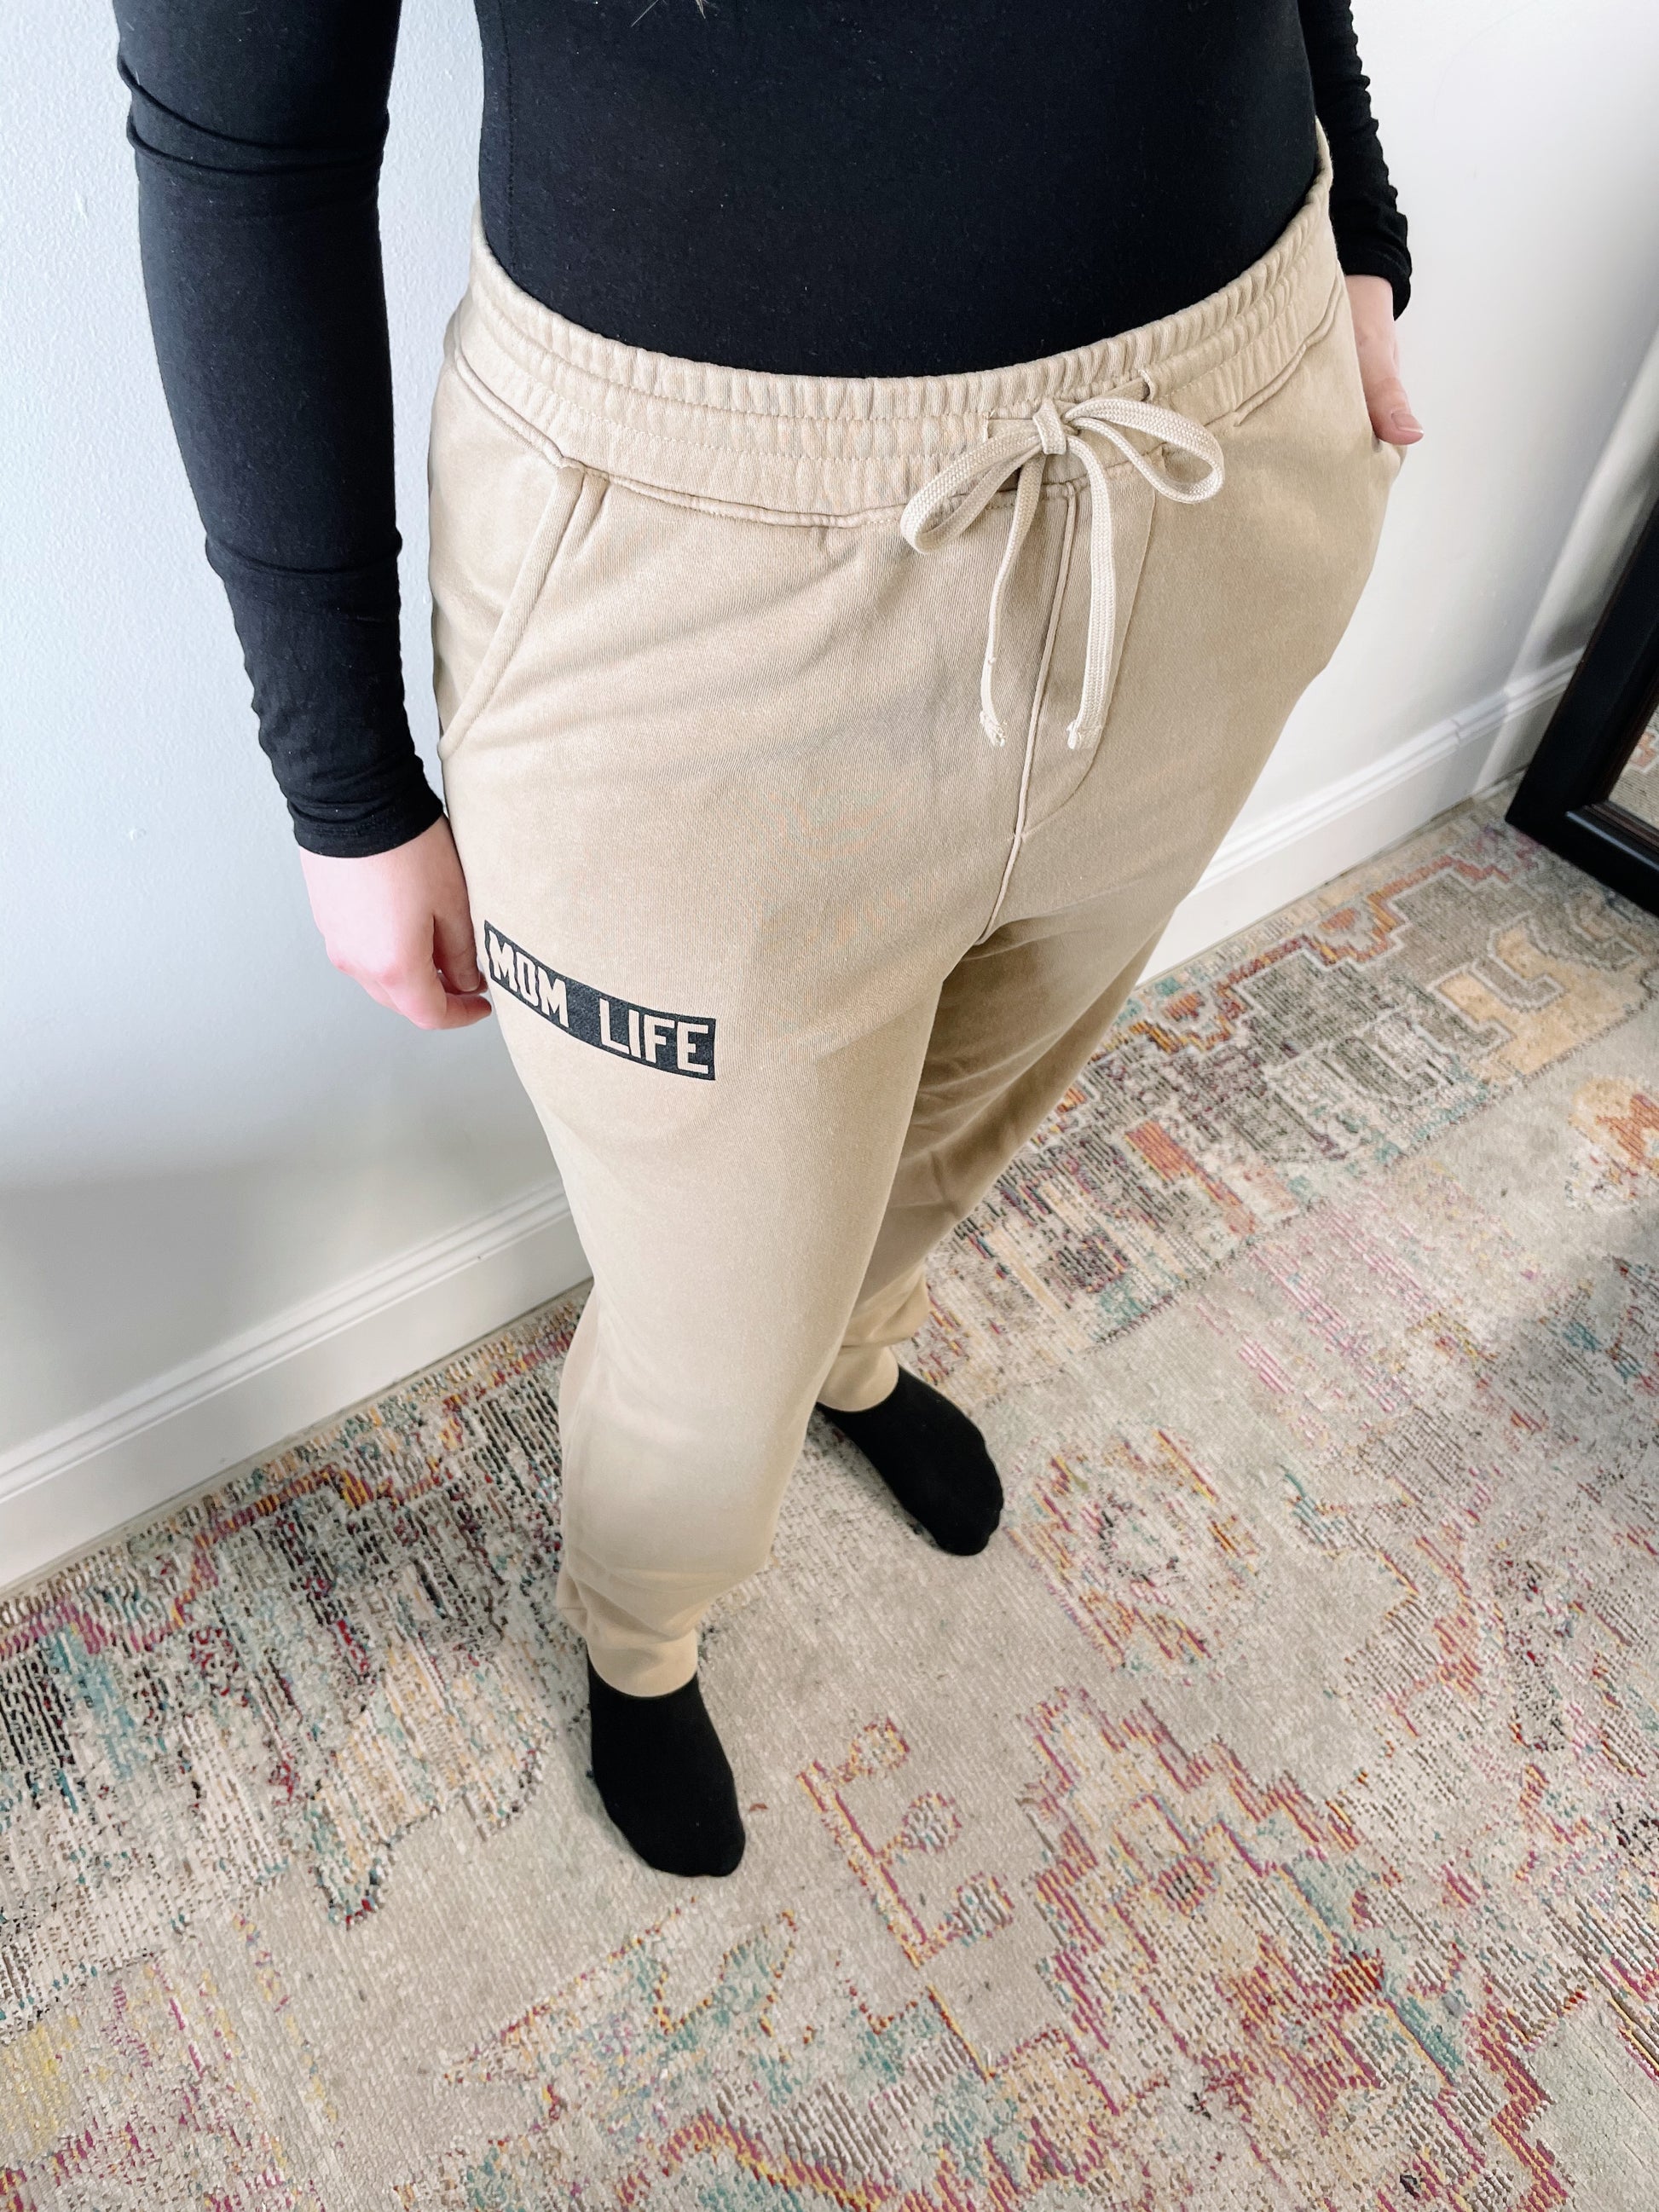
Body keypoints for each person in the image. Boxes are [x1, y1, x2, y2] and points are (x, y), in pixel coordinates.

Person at [113, 0, 1419, 1879]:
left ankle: (861, 1346)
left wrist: (1362, 219)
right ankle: (639, 1626)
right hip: (684, 600)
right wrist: (341, 776)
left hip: (1221, 445)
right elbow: (247, 133)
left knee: (972, 1110)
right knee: (709, 1318)